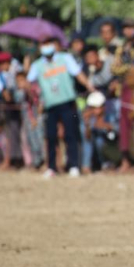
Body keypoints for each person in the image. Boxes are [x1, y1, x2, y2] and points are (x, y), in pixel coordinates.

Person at [27, 35, 94, 178]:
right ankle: (51, 167)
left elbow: (78, 74)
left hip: (68, 102)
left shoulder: (65, 58)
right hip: (50, 105)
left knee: (71, 134)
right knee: (51, 136)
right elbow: (28, 82)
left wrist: (90, 86)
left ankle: (74, 165)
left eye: (48, 43)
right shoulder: (37, 65)